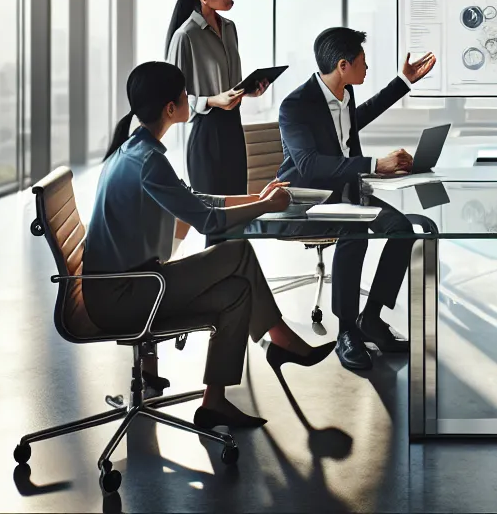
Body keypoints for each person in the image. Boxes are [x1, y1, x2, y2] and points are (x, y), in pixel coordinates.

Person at [82, 62, 336, 432]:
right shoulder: (148, 162)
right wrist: (264, 207)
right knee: (238, 251)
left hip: (130, 285)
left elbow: (195, 199)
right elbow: (208, 222)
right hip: (126, 295)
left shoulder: (136, 150)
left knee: (236, 292)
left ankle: (214, 402)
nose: (189, 99)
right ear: (170, 108)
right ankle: (280, 338)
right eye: (184, 94)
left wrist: (256, 197)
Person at [273, 27, 438, 373]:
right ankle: (346, 329)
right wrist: (376, 164)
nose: (367, 68)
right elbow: (308, 164)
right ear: (343, 65)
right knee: (355, 229)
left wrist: (403, 82)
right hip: (306, 200)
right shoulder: (296, 105)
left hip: (346, 192)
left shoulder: (344, 95)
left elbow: (358, 120)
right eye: (363, 62)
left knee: (403, 228)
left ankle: (371, 318)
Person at [165, 0, 266, 198]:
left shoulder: (230, 29)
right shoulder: (185, 36)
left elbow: (229, 85)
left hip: (233, 128)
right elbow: (170, 99)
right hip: (206, 134)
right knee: (216, 218)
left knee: (238, 209)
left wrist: (249, 90)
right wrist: (211, 101)